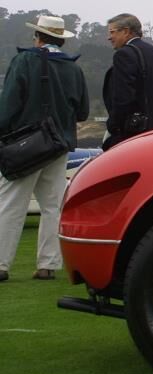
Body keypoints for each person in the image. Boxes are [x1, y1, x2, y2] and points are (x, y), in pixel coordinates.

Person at [0, 15, 90, 282]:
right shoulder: (74, 69)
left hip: (26, 144)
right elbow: (82, 112)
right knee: (53, 206)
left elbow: (9, 106)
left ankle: (2, 264)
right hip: (59, 144)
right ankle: (48, 264)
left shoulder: (25, 61)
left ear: (38, 37)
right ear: (60, 39)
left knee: (10, 204)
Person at [102, 13, 153, 150]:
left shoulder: (124, 54)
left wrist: (114, 126)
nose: (109, 37)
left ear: (126, 31)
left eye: (112, 32)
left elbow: (123, 97)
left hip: (135, 134)